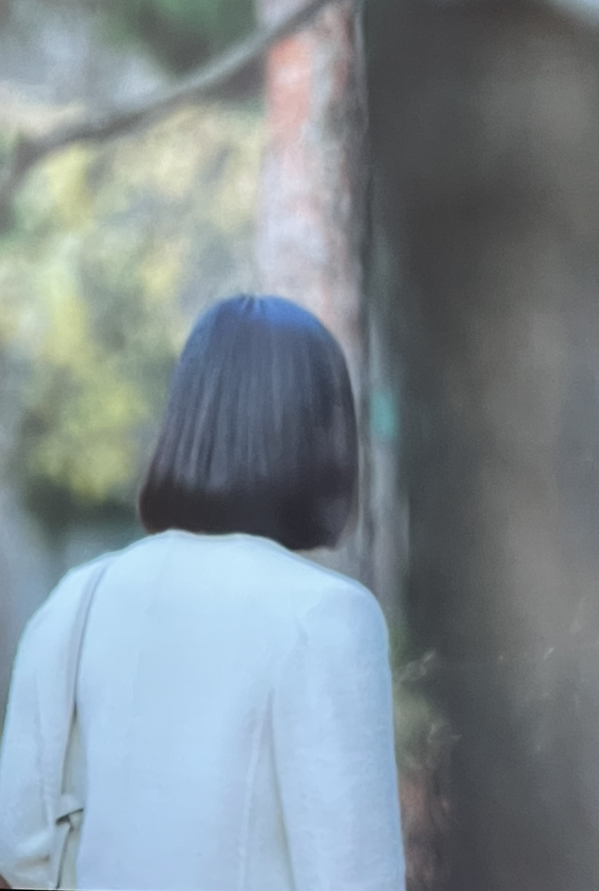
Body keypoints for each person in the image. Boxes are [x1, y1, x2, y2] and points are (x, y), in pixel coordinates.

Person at [0, 296, 405, 891]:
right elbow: (353, 873)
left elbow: (20, 850)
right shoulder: (327, 615)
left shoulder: (76, 599)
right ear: (322, 438)